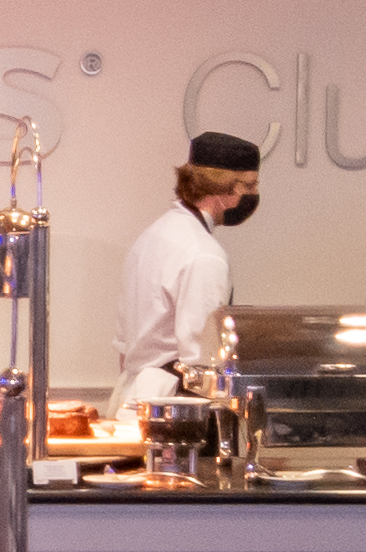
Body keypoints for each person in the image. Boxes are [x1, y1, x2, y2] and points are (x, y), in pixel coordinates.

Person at [109, 131, 260, 417]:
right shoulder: (205, 255)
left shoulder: (152, 236)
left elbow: (123, 347)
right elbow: (203, 361)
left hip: (133, 400)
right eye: (250, 185)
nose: (253, 195)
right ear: (230, 189)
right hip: (175, 413)